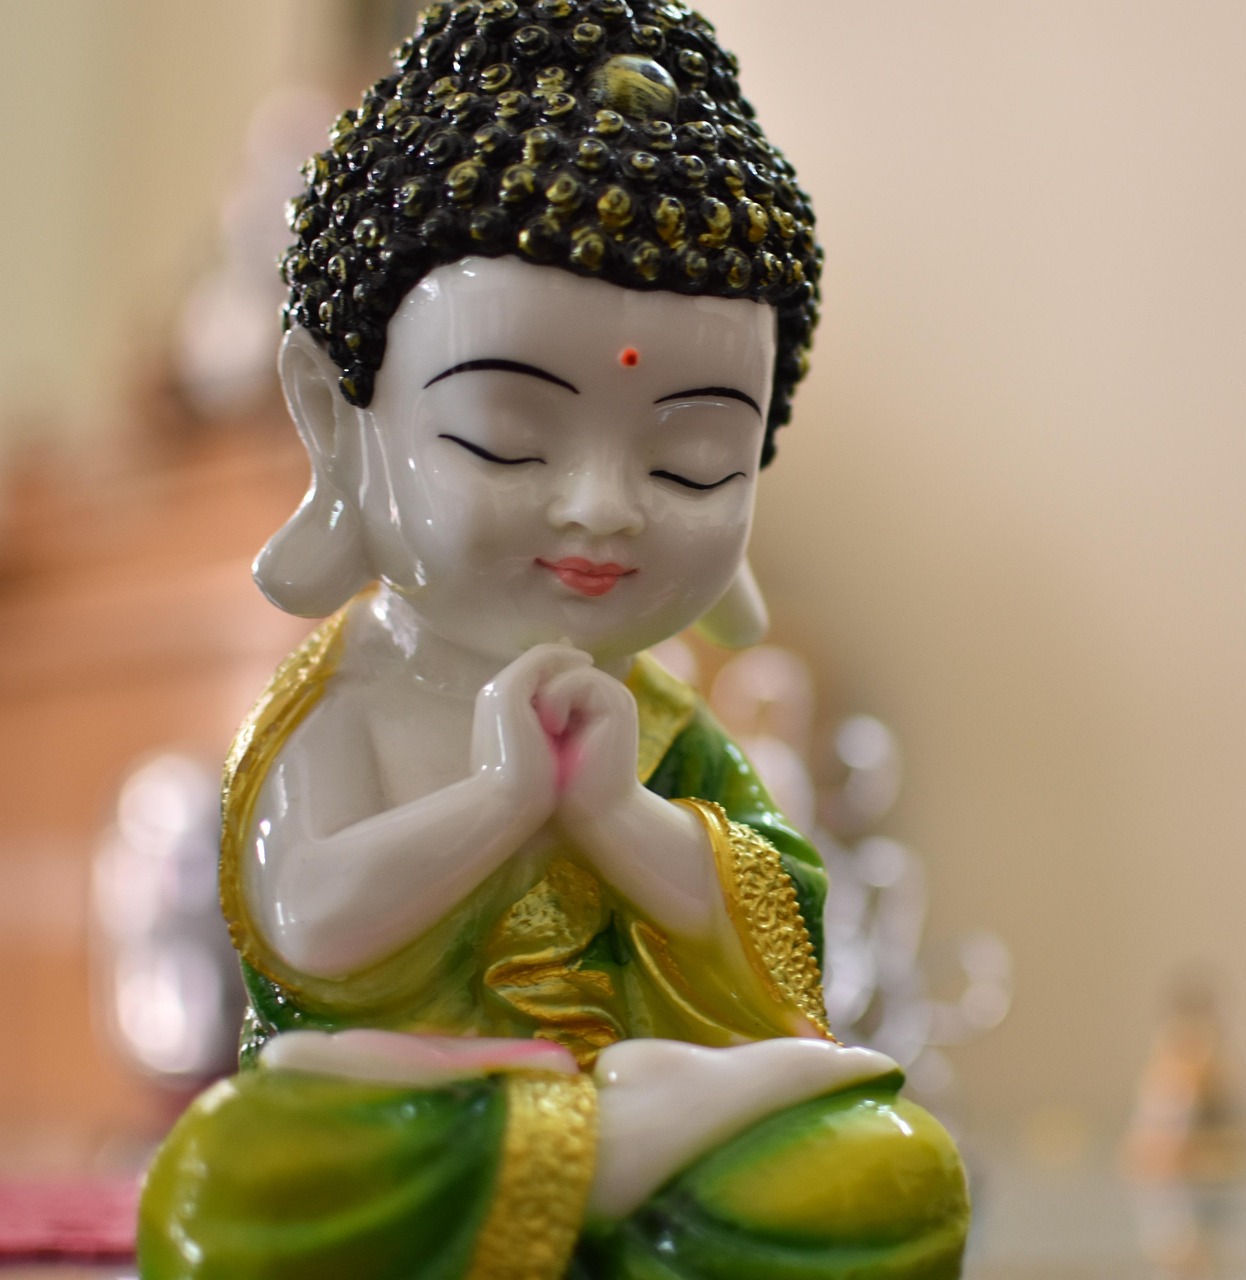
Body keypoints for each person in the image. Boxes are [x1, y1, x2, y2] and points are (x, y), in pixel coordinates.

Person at [136, 4, 969, 1276]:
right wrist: (499, 798)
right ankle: (614, 1158)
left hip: (648, 1084)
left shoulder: (671, 721)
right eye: (508, 440)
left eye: (691, 460)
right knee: (232, 1181)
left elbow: (787, 947)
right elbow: (306, 919)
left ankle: (617, 1147)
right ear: (342, 421)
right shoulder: (349, 699)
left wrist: (619, 816)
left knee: (895, 1172)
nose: (604, 506)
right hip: (404, 1105)